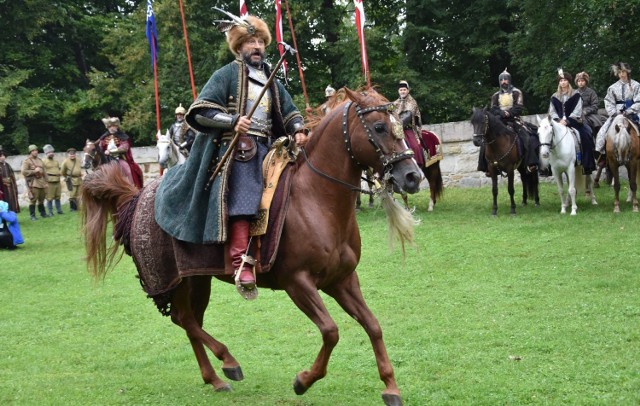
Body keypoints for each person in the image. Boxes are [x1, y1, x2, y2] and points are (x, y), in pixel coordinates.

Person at [154, 12, 308, 292]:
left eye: (260, 41)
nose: (257, 46)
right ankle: (242, 263)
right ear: (239, 46)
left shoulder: (271, 78)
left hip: (270, 149)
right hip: (238, 150)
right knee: (247, 190)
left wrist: (297, 127)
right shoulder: (224, 75)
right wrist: (233, 120)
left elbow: (289, 112)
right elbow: (200, 111)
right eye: (250, 41)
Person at [480, 68, 540, 175]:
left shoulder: (517, 92)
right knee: (486, 140)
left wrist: (509, 113)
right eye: (502, 80)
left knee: (527, 137)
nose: (504, 81)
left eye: (506, 79)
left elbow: (519, 107)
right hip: (499, 121)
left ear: (509, 80)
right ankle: (487, 166)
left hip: (514, 119)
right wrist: (502, 113)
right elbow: (493, 108)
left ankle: (530, 163)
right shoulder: (495, 95)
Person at [549, 69, 596, 175]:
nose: (563, 82)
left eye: (565, 80)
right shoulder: (554, 96)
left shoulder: (576, 94)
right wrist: (558, 120)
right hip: (558, 123)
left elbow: (578, 110)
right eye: (561, 81)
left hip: (574, 122)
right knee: (546, 137)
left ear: (568, 81)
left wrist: (568, 120)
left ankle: (587, 165)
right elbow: (552, 112)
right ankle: (547, 167)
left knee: (586, 136)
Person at [595, 62, 640, 164]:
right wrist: (613, 113)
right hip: (616, 114)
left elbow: (639, 101)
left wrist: (629, 111)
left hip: (634, 112)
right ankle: (603, 155)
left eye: (623, 71)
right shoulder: (612, 87)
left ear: (627, 72)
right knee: (603, 132)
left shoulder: (636, 85)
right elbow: (608, 101)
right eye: (619, 72)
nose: (621, 74)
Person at [97, 117, 144, 188]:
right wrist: (103, 151)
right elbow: (100, 147)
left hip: (119, 158)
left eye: (114, 126)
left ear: (117, 126)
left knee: (127, 168)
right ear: (107, 127)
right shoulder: (103, 137)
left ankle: (131, 187)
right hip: (105, 159)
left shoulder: (123, 136)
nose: (112, 128)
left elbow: (125, 147)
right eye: (110, 126)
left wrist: (111, 151)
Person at [393, 80, 425, 167]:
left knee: (415, 147)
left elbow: (407, 116)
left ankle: (417, 165)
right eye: (401, 90)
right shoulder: (395, 103)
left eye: (404, 89)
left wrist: (397, 126)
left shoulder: (412, 102)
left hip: (408, 129)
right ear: (398, 91)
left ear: (408, 90)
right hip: (395, 129)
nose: (402, 91)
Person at [21, 144, 49, 220]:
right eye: (33, 151)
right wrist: (34, 171)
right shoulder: (27, 161)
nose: (35, 152)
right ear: (30, 152)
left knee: (42, 199)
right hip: (34, 183)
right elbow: (24, 172)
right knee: (33, 200)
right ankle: (32, 216)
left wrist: (46, 182)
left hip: (42, 182)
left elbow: (44, 172)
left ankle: (43, 213)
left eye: (36, 150)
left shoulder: (40, 160)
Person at [42, 144, 64, 216]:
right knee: (49, 197)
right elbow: (43, 172)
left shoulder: (56, 161)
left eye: (51, 152)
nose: (51, 153)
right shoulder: (44, 161)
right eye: (49, 152)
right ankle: (50, 212)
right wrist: (45, 182)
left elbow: (58, 169)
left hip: (57, 180)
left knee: (58, 196)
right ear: (46, 153)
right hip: (49, 181)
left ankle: (59, 210)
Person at [0, 148, 20, 213]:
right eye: (1, 156)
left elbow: (12, 175)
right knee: (4, 201)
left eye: (3, 156)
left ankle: (12, 214)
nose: (2, 157)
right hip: (2, 187)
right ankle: (4, 217)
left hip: (10, 186)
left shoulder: (8, 165)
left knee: (11, 200)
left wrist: (11, 181)